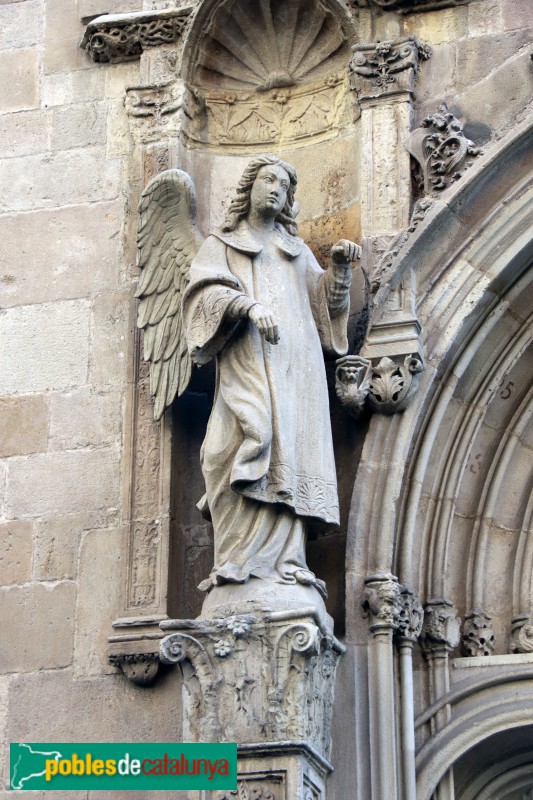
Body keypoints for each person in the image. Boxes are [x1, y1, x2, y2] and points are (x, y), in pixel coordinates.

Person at [182, 154, 360, 599]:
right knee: (229, 445)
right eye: (268, 180)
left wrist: (338, 269)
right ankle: (236, 558)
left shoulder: (295, 251)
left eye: (284, 185)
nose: (276, 189)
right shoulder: (221, 244)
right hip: (246, 359)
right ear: (249, 188)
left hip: (294, 366)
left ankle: (286, 561)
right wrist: (247, 306)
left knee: (288, 449)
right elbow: (203, 295)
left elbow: (325, 310)